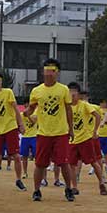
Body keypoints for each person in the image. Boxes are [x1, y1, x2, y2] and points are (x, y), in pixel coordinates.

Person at [25, 58, 75, 202]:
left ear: (57, 73)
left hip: (60, 132)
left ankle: (68, 189)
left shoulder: (63, 90)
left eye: (52, 71)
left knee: (64, 162)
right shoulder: (37, 91)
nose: (49, 74)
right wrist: (26, 113)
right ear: (43, 72)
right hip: (43, 133)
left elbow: (68, 110)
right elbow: (32, 108)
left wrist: (71, 129)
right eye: (47, 71)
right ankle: (36, 190)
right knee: (40, 163)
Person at [0, 71, 26, 192]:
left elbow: (15, 109)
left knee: (16, 156)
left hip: (10, 127)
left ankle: (19, 179)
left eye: (0, 81)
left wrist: (21, 124)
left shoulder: (8, 92)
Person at [67, 82, 107, 196]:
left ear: (79, 94)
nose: (72, 95)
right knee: (71, 165)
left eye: (74, 92)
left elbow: (97, 116)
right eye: (70, 92)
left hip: (85, 139)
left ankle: (101, 183)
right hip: (71, 140)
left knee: (93, 162)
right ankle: (74, 187)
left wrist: (95, 131)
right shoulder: (67, 106)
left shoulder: (84, 105)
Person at [20, 103, 38, 179]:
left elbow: (33, 122)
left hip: (34, 136)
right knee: (24, 156)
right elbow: (19, 122)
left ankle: (37, 172)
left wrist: (28, 116)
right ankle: (24, 172)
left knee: (36, 156)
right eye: (26, 106)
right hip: (25, 137)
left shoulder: (36, 113)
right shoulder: (21, 114)